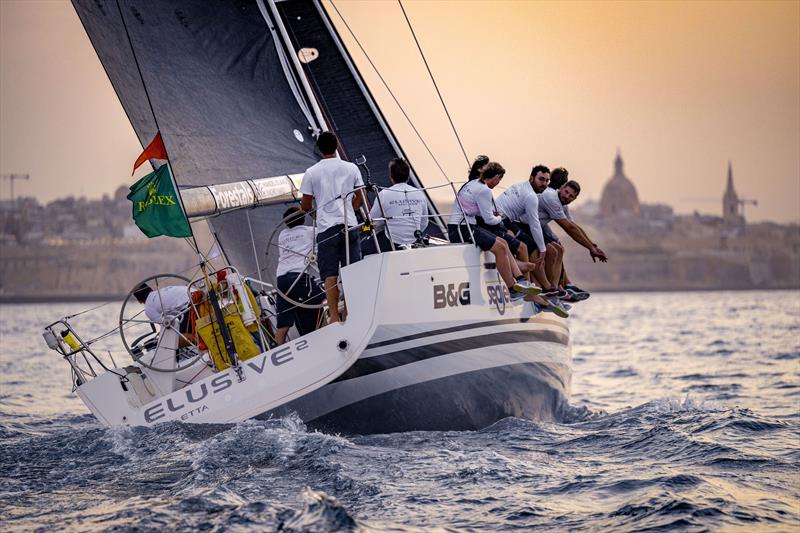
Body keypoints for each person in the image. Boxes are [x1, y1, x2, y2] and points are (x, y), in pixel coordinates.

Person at [448, 160, 540, 301]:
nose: (498, 183)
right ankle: (512, 289)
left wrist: (492, 215)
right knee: (500, 248)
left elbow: (475, 210)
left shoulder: (472, 184)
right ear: (496, 177)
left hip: (462, 227)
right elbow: (489, 220)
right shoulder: (484, 190)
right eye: (499, 179)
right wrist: (500, 218)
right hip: (461, 229)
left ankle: (521, 280)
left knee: (503, 242)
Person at [299, 131, 365, 323]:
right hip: (349, 226)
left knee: (329, 275)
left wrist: (312, 211)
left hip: (327, 229)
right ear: (336, 146)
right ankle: (354, 313)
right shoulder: (351, 168)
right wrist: (349, 211)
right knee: (351, 272)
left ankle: (335, 318)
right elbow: (360, 197)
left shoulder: (311, 172)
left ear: (319, 149)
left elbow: (306, 206)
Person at [538, 180, 608, 301]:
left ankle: (556, 290)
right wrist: (590, 248)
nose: (567, 196)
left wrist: (592, 246)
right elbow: (569, 229)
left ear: (574, 199)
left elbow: (574, 226)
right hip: (522, 224)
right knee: (552, 251)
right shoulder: (551, 197)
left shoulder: (563, 205)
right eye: (566, 192)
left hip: (535, 227)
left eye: (571, 196)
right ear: (561, 187)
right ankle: (549, 288)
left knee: (559, 250)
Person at [274, 207, 325, 345]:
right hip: (298, 277)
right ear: (303, 218)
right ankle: (327, 337)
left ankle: (277, 350)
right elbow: (324, 240)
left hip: (281, 280)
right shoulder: (309, 231)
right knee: (326, 299)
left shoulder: (282, 235)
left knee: (283, 324)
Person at [366, 158, 429, 252]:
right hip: (415, 239)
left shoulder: (384, 194)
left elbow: (373, 222)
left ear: (391, 176)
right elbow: (424, 222)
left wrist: (364, 230)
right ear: (408, 175)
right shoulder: (419, 193)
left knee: (362, 249)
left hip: (391, 242)